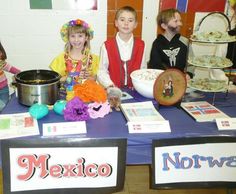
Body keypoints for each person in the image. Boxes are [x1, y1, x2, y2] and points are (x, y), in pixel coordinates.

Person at [97, 6, 147, 89]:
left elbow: (143, 69)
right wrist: (110, 85)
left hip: (135, 90)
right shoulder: (107, 45)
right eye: (122, 20)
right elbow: (102, 71)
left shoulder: (141, 45)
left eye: (130, 20)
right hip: (113, 91)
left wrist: (139, 84)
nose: (126, 23)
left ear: (135, 24)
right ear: (116, 23)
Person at [49, 18, 99, 90]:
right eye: (73, 36)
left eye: (80, 36)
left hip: (87, 95)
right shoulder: (61, 59)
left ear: (86, 38)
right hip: (66, 95)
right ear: (68, 38)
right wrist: (70, 76)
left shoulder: (94, 59)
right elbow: (56, 80)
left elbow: (95, 79)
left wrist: (89, 77)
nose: (76, 40)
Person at [148, 8, 191, 78]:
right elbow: (154, 66)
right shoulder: (157, 43)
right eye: (176, 21)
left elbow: (191, 62)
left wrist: (189, 74)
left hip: (181, 81)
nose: (180, 24)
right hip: (163, 81)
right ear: (164, 26)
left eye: (180, 21)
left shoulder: (185, 42)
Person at [0, 42, 21, 111]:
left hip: (3, 89)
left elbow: (11, 68)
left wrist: (21, 74)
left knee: (4, 107)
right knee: (2, 107)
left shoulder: (1, 62)